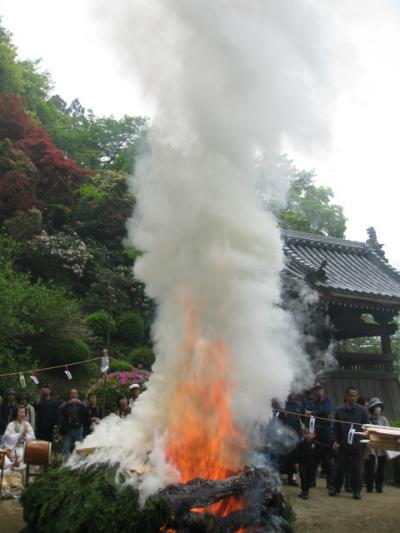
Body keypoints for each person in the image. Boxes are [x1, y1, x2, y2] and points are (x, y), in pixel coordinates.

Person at [329, 386, 369, 499]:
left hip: (357, 445)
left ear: (357, 397)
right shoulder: (339, 410)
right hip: (343, 444)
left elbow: (367, 428)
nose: (352, 398)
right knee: (339, 468)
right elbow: (336, 428)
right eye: (350, 395)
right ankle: (335, 488)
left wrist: (366, 445)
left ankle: (356, 491)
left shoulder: (362, 411)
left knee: (357, 470)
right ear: (346, 396)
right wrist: (335, 441)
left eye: (355, 396)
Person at [306, 383, 333, 488]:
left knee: (327, 459)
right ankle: (312, 481)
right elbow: (308, 412)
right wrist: (315, 413)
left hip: (326, 432)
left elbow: (326, 411)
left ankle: (330, 483)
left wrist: (313, 413)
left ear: (323, 390)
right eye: (316, 390)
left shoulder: (328, 401)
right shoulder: (312, 402)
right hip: (315, 431)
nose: (318, 392)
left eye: (320, 389)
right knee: (313, 459)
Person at [364, 397, 389, 493]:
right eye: (375, 406)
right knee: (369, 467)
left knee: (381, 468)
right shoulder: (367, 419)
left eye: (379, 406)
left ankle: (379, 486)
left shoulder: (384, 419)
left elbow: (387, 431)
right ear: (371, 408)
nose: (378, 408)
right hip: (370, 447)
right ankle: (369, 486)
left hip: (382, 447)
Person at [59, 389, 89, 462]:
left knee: (81, 448)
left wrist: (81, 403)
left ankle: (79, 464)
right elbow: (60, 409)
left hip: (79, 428)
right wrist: (67, 403)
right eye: (72, 394)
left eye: (75, 393)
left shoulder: (81, 404)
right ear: (70, 395)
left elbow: (87, 413)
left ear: (77, 395)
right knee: (65, 448)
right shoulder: (66, 404)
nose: (73, 395)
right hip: (69, 429)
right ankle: (67, 464)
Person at [280, 392, 303, 486]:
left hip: (295, 435)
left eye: (293, 392)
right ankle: (281, 476)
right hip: (284, 435)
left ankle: (292, 477)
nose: (291, 394)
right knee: (283, 456)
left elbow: (302, 419)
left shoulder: (299, 405)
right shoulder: (283, 405)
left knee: (293, 457)